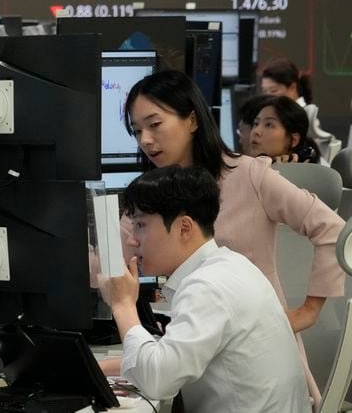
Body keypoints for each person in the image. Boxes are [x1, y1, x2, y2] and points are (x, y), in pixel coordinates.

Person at [122, 69, 345, 406]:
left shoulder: (249, 175)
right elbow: (116, 251)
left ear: (192, 121)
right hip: (193, 345)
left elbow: (331, 229)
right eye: (137, 130)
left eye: (155, 125)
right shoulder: (157, 194)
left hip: (251, 359)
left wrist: (309, 311)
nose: (146, 141)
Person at [104, 165, 311, 412]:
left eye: (141, 225)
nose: (131, 240)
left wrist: (123, 305)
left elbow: (157, 381)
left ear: (184, 228)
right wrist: (101, 368)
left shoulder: (208, 286)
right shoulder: (229, 265)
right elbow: (172, 357)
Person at [261, 58, 336, 160]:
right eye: (264, 91)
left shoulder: (303, 116)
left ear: (292, 87)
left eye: (273, 91)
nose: (267, 97)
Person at [248, 96, 322, 164]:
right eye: (256, 123)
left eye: (269, 125)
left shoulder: (304, 176)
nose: (256, 131)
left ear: (294, 140)